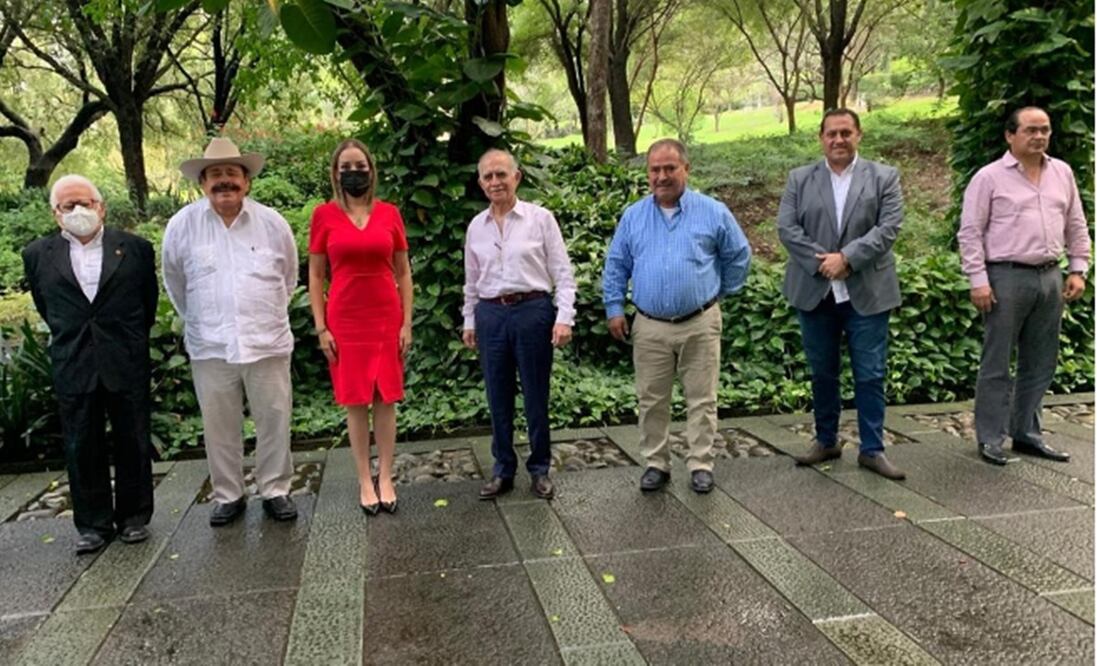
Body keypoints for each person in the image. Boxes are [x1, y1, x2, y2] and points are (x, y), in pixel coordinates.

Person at [163, 137, 298, 526]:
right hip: (211, 346)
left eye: (232, 173)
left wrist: (262, 313)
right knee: (219, 426)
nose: (225, 181)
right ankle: (229, 494)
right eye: (215, 174)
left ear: (247, 181)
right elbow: (175, 284)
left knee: (274, 419)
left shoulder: (272, 223)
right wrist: (202, 320)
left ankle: (275, 489)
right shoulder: (182, 226)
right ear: (202, 183)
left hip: (266, 341)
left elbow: (288, 279)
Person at [603, 139, 751, 494]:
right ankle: (656, 463)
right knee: (651, 399)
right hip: (650, 325)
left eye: (670, 168)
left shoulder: (713, 212)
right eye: (655, 169)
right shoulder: (634, 216)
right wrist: (613, 307)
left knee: (702, 398)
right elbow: (616, 265)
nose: (662, 176)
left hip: (699, 322)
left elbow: (739, 256)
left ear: (686, 169)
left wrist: (717, 294)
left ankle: (701, 463)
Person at [23, 175, 157, 554]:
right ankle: (93, 525)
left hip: (124, 358)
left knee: (133, 438)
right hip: (74, 360)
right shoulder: (37, 254)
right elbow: (47, 308)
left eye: (85, 202)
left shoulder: (134, 248)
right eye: (68, 206)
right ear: (55, 213)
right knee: (82, 443)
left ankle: (133, 518)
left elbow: (147, 303)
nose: (78, 210)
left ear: (101, 206)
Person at [957, 106, 1091, 466]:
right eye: (1030, 130)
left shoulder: (1061, 172)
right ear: (1010, 135)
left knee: (1041, 360)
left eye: (1044, 130)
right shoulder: (988, 178)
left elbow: (1076, 223)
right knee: (997, 361)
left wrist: (1078, 268)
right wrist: (978, 280)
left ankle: (1027, 434)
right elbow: (970, 233)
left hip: (1050, 276)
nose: (1039, 136)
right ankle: (990, 437)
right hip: (1005, 277)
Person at [777, 108, 906, 480]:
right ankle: (826, 439)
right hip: (815, 290)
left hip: (867, 289)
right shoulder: (799, 179)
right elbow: (787, 228)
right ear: (821, 138)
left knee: (870, 373)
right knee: (822, 371)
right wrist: (824, 264)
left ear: (858, 135)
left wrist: (847, 259)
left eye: (846, 133)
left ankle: (872, 449)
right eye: (831, 133)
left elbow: (889, 227)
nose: (838, 140)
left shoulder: (884, 177)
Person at [462, 149, 576, 501]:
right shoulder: (475, 228)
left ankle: (540, 469)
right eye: (488, 177)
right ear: (481, 184)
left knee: (535, 393)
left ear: (517, 177)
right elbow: (471, 280)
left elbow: (563, 273)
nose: (495, 182)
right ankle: (503, 469)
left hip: (532, 311)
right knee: (497, 395)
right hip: (491, 314)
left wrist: (564, 317)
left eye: (501, 174)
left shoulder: (540, 219)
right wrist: (469, 320)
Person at [308, 139, 413, 514]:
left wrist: (407, 324)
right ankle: (364, 481)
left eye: (360, 166)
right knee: (355, 401)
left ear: (372, 170)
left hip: (386, 316)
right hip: (345, 320)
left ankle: (385, 475)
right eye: (346, 168)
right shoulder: (323, 215)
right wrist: (322, 328)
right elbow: (316, 275)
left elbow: (403, 270)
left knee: (386, 399)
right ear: (336, 174)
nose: (354, 173)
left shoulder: (390, 213)